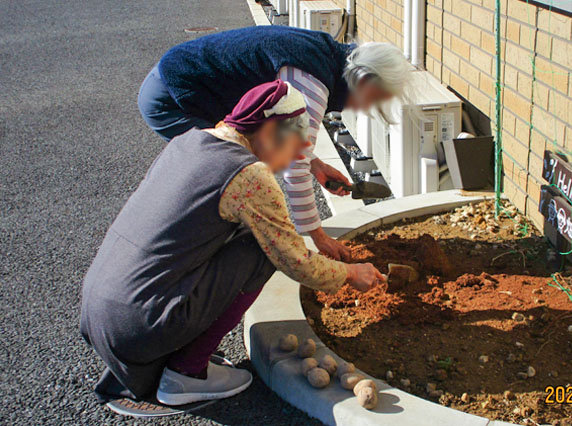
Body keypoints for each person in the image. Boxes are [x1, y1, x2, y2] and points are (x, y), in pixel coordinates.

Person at [81, 80, 386, 406]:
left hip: (101, 312)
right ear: (271, 133)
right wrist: (351, 273)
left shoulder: (189, 141)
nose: (292, 159)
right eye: (292, 147)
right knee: (261, 251)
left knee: (247, 235)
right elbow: (295, 260)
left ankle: (174, 353)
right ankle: (187, 373)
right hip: (140, 325)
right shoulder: (249, 175)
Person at [137, 25, 411, 262]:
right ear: (365, 81)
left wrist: (315, 164)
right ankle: (182, 258)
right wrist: (317, 236)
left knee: (240, 170)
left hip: (174, 76)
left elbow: (289, 143)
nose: (368, 107)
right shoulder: (312, 86)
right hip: (172, 97)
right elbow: (294, 167)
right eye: (376, 99)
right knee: (228, 172)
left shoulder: (327, 55)